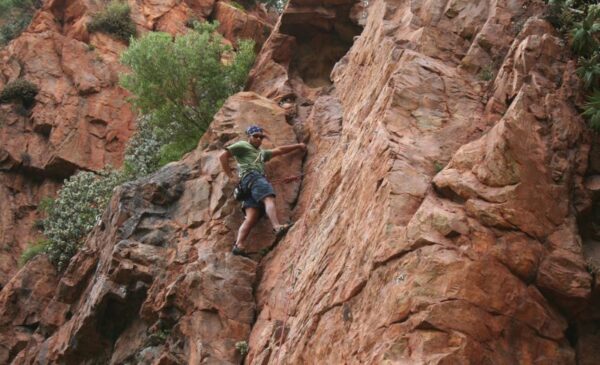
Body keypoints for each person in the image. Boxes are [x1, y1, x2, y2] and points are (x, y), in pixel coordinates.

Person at [220, 125, 306, 255]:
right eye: (255, 136)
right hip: (253, 177)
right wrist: (230, 176)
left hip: (246, 185)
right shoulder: (243, 145)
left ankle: (239, 245)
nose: (259, 139)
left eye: (261, 137)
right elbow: (223, 156)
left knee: (251, 217)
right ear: (249, 136)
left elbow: (280, 150)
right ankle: (277, 227)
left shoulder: (261, 153)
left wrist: (298, 146)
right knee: (268, 198)